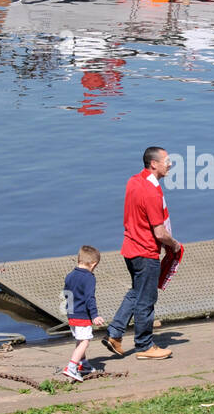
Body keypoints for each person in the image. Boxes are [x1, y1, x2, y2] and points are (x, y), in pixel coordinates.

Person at [103, 146, 181, 361]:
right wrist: (174, 245)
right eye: (167, 161)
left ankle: (114, 334)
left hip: (129, 248)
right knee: (146, 299)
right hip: (146, 252)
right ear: (153, 164)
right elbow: (159, 232)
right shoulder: (152, 191)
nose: (170, 164)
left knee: (136, 293)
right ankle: (145, 345)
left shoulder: (134, 181)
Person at [61, 244, 102, 382]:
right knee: (85, 341)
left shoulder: (70, 275)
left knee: (79, 339)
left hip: (71, 313)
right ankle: (71, 367)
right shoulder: (89, 278)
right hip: (82, 315)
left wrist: (68, 310)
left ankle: (83, 364)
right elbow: (90, 298)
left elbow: (66, 293)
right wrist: (95, 315)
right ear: (93, 264)